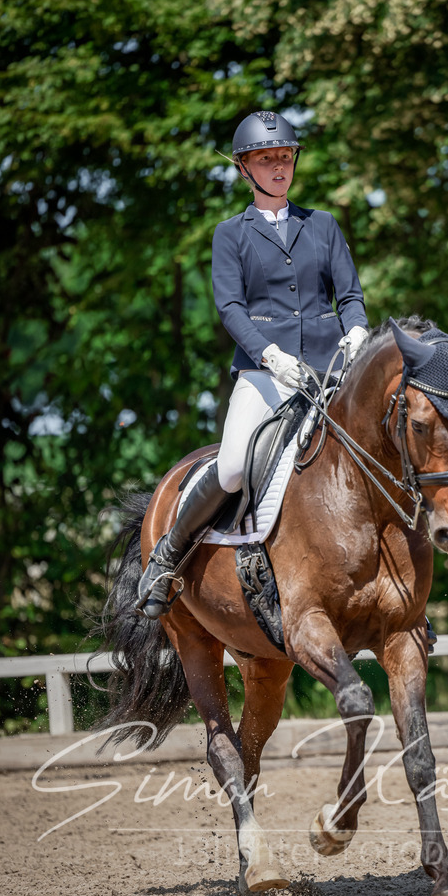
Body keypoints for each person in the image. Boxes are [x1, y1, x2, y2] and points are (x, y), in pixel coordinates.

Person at [136, 110, 369, 619]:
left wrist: (357, 330)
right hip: (267, 373)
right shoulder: (231, 234)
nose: (279, 167)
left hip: (331, 370)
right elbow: (230, 309)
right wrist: (269, 355)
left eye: (284, 157)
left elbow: (349, 294)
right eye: (266, 159)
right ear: (245, 169)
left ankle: (401, 585)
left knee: (380, 449)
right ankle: (168, 554)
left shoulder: (323, 225)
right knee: (236, 465)